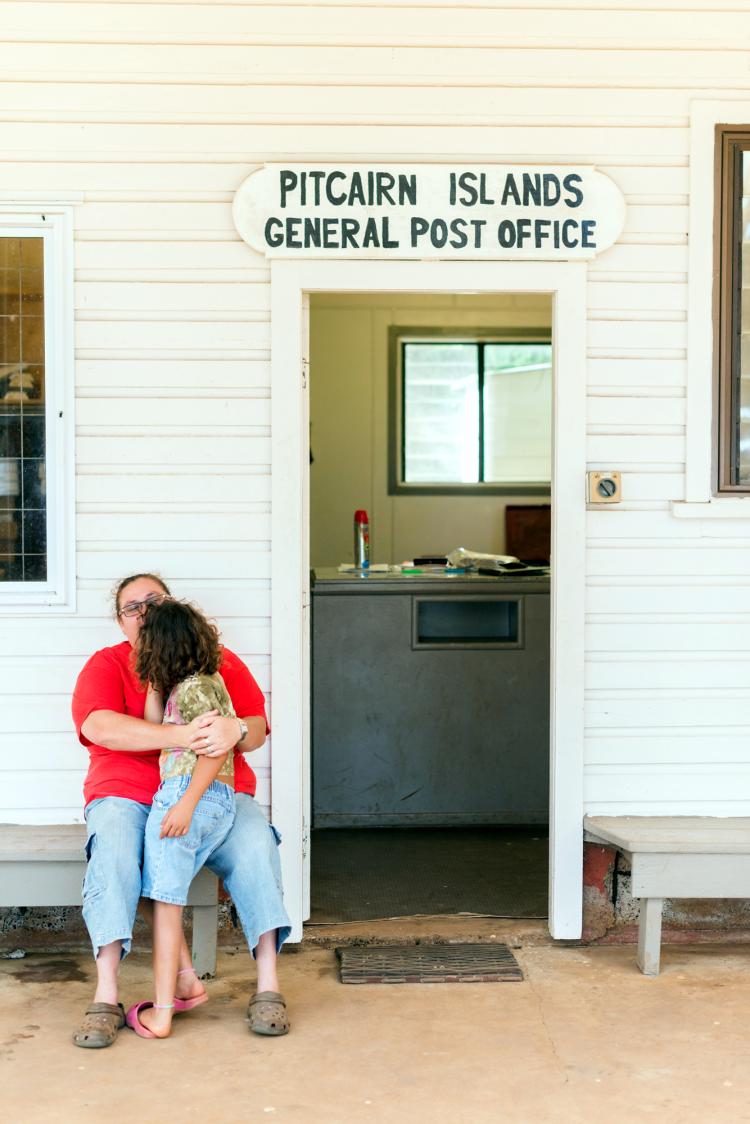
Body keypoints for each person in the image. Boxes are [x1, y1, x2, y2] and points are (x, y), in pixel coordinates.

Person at [71, 572, 291, 1048]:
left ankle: (268, 986)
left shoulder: (213, 661)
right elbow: (101, 726)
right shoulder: (107, 664)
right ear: (120, 621)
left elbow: (256, 726)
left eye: (154, 600)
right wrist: (179, 735)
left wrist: (235, 731)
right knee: (113, 848)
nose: (145, 611)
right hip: (127, 790)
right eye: (133, 606)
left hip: (214, 792)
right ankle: (107, 993)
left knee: (256, 845)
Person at [126, 598, 239, 1039]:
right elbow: (157, 726)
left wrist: (187, 802)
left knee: (167, 905)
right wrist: (155, 682)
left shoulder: (195, 690)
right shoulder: (195, 685)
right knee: (157, 894)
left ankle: (163, 1013)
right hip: (206, 799)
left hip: (189, 794)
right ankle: (187, 982)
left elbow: (216, 749)